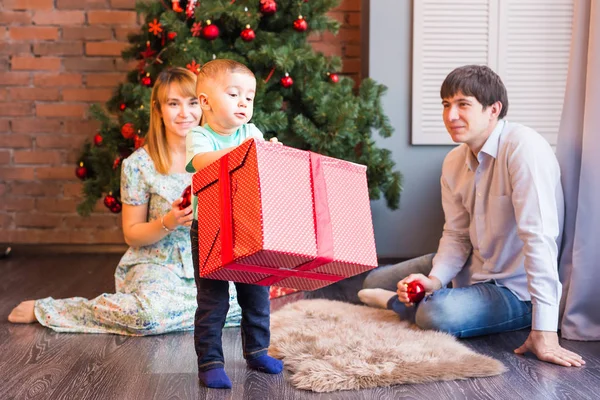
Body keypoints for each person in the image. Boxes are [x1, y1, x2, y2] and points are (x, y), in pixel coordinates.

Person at [359, 65, 585, 368]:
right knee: (376, 279)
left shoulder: (524, 149)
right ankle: (414, 298)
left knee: (435, 314)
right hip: (472, 265)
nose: (451, 116)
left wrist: (544, 329)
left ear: (493, 109)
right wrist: (435, 279)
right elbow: (456, 234)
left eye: (463, 104)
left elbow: (540, 238)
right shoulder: (454, 161)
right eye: (446, 105)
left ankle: (398, 305)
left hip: (516, 290)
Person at [7, 67, 242, 335]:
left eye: (191, 103)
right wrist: (169, 220)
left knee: (247, 303)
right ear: (158, 109)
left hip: (207, 262)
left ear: (203, 105)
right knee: (148, 315)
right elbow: (132, 235)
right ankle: (56, 311)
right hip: (157, 264)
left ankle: (193, 311)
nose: (184, 114)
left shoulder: (218, 156)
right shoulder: (139, 165)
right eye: (173, 104)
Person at [186, 59, 283, 389]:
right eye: (233, 94)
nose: (244, 102)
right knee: (213, 300)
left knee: (256, 293)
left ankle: (257, 350)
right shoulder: (200, 135)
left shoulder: (250, 132)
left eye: (250, 97)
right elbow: (200, 163)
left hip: (247, 226)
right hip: (210, 228)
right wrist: (244, 152)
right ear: (205, 101)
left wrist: (270, 153)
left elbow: (261, 166)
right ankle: (210, 361)